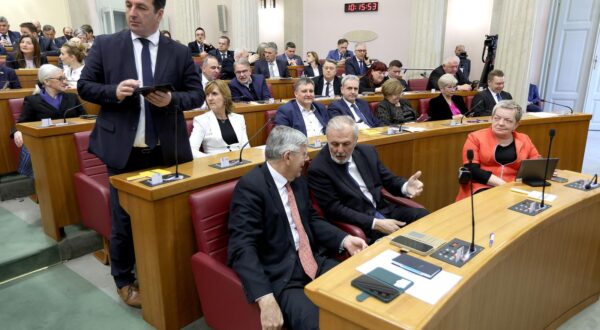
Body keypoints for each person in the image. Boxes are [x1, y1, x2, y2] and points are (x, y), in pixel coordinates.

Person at [77, 0, 204, 309]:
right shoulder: (107, 45)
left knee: (167, 217)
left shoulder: (178, 51)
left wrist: (172, 99)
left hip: (165, 150)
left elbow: (197, 94)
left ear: (159, 14)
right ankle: (123, 278)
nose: (132, 12)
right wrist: (113, 91)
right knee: (123, 219)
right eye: (129, 5)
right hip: (124, 151)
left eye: (142, 7)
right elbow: (85, 86)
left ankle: (161, 271)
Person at [228, 125, 367, 330]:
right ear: (287, 157)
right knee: (321, 325)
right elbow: (242, 246)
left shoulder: (298, 179)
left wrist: (344, 239)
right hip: (283, 276)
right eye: (303, 154)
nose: (307, 160)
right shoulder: (251, 187)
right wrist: (265, 298)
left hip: (313, 261)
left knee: (362, 288)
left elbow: (311, 219)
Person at [308, 115, 429, 241]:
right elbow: (335, 209)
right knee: (398, 244)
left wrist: (405, 187)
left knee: (424, 217)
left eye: (346, 144)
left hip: (384, 210)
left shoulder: (367, 152)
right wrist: (375, 223)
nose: (340, 150)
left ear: (355, 140)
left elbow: (388, 179)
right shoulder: (318, 168)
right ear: (327, 139)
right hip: (360, 222)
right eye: (334, 144)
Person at [456, 100, 541, 200]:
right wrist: (503, 184)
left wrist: (544, 169)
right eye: (497, 118)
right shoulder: (475, 137)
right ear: (492, 118)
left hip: (515, 188)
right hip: (481, 187)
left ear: (516, 125)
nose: (500, 123)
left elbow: (536, 161)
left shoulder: (524, 139)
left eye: (508, 120)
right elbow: (472, 169)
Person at [11, 65, 85, 177]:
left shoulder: (72, 97)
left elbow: (86, 118)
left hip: (72, 144)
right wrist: (17, 131)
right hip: (47, 148)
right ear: (47, 81)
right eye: (60, 79)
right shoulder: (33, 101)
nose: (65, 81)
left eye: (65, 78)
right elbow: (22, 123)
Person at [189, 80, 249, 158]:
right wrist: (211, 159)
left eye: (214, 94)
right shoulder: (201, 120)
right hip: (216, 166)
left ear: (225, 96)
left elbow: (246, 147)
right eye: (207, 95)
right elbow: (191, 150)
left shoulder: (239, 119)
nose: (210, 98)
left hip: (240, 162)